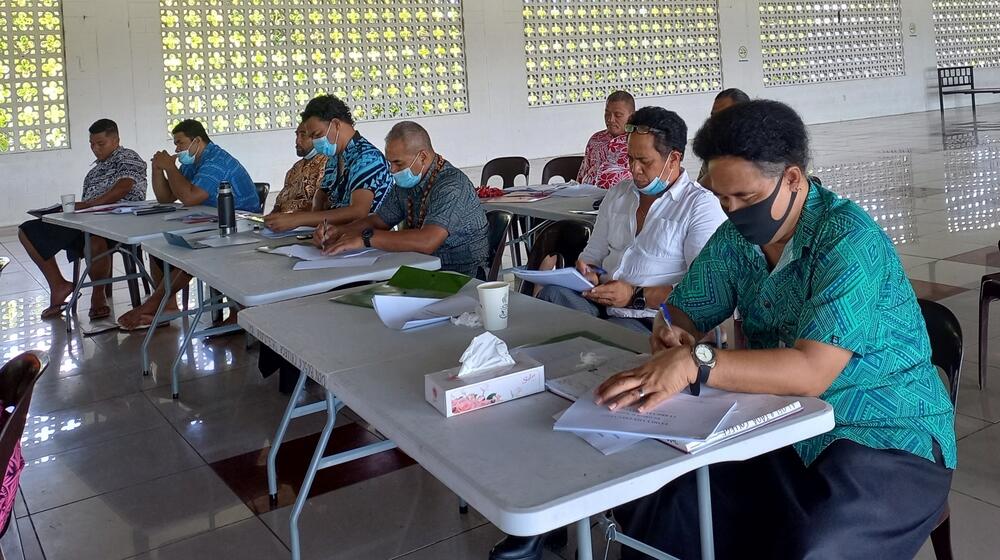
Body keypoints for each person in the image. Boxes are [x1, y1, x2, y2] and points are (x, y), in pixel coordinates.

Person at [596, 100, 956, 559]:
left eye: (745, 198)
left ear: (791, 178)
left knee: (812, 545)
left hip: (883, 436)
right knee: (668, 502)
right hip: (781, 426)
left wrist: (695, 361)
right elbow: (683, 311)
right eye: (722, 198)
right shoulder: (737, 237)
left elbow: (811, 372)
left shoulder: (846, 239)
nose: (731, 211)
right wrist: (671, 331)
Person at [535, 107, 726, 334]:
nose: (634, 169)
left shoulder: (700, 205)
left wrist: (634, 295)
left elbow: (704, 290)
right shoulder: (618, 194)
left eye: (644, 161)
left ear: (673, 159)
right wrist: (590, 273)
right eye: (630, 158)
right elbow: (592, 256)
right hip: (602, 306)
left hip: (653, 318)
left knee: (614, 333)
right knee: (551, 294)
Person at [117, 119, 258, 330]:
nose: (177, 149)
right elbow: (166, 197)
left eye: (180, 143)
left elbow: (190, 197)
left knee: (192, 253)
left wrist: (170, 167)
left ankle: (153, 304)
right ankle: (168, 305)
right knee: (159, 245)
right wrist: (158, 169)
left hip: (240, 224)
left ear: (197, 141)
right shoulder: (193, 163)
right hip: (212, 222)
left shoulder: (216, 161)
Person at [320, 121, 489, 278]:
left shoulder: (451, 186)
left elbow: (427, 241)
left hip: (462, 276)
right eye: (390, 163)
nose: (392, 170)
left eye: (398, 163)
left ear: (422, 156)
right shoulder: (407, 183)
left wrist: (366, 239)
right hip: (423, 269)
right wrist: (339, 231)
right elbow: (380, 220)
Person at [19, 119, 147, 320]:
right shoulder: (93, 172)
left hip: (121, 223)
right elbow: (88, 204)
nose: (95, 149)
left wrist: (89, 205)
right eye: (91, 144)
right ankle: (59, 285)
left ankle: (98, 295)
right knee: (28, 230)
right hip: (89, 221)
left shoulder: (128, 157)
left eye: (100, 144)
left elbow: (125, 186)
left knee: (94, 236)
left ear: (116, 140)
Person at [264, 94, 394, 234]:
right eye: (312, 137)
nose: (315, 141)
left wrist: (299, 219)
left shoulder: (367, 158)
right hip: (334, 236)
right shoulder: (335, 157)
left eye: (318, 134)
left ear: (336, 124)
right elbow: (321, 195)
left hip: (365, 241)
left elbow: (357, 212)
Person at [262, 122, 329, 229]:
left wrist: (292, 220)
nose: (297, 141)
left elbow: (320, 210)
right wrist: (269, 220)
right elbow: (278, 205)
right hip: (281, 229)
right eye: (297, 135)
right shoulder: (295, 168)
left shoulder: (327, 165)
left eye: (303, 135)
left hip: (306, 229)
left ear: (316, 138)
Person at [576, 90, 635, 189]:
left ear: (632, 116)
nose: (610, 119)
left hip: (622, 199)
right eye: (607, 113)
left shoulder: (638, 142)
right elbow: (582, 175)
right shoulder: (595, 139)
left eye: (618, 115)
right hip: (587, 198)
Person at [698, 88, 750, 185]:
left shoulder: (764, 148)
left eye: (724, 115)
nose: (716, 122)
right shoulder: (714, 146)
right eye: (714, 116)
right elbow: (700, 187)